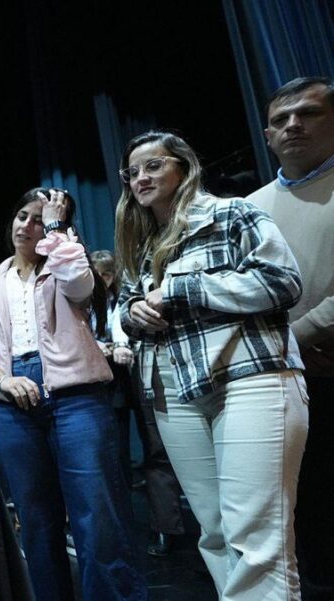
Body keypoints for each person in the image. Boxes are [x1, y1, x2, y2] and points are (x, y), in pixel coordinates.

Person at [116, 130, 306, 599]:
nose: (141, 177)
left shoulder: (231, 213)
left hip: (249, 377)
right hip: (173, 390)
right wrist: (133, 314)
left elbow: (283, 282)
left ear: (184, 166)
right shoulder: (142, 244)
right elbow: (125, 308)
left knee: (255, 537)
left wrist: (183, 289)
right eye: (132, 171)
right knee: (215, 532)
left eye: (153, 165)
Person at [0, 188, 144, 601]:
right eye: (23, 216)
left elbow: (79, 285)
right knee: (36, 522)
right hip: (11, 403)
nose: (27, 225)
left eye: (40, 219)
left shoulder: (67, 263)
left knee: (96, 518)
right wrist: (3, 380)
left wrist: (58, 229)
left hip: (75, 397)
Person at [247, 76, 334, 599]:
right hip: (279, 385)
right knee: (306, 523)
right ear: (267, 135)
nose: (293, 125)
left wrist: (292, 339)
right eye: (281, 120)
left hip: (315, 364)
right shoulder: (249, 207)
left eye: (309, 113)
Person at [92, 249, 184, 558]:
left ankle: (166, 527)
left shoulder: (125, 297)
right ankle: (124, 524)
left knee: (158, 450)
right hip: (111, 382)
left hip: (142, 374)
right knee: (116, 455)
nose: (102, 280)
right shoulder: (88, 300)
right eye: (98, 274)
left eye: (107, 274)